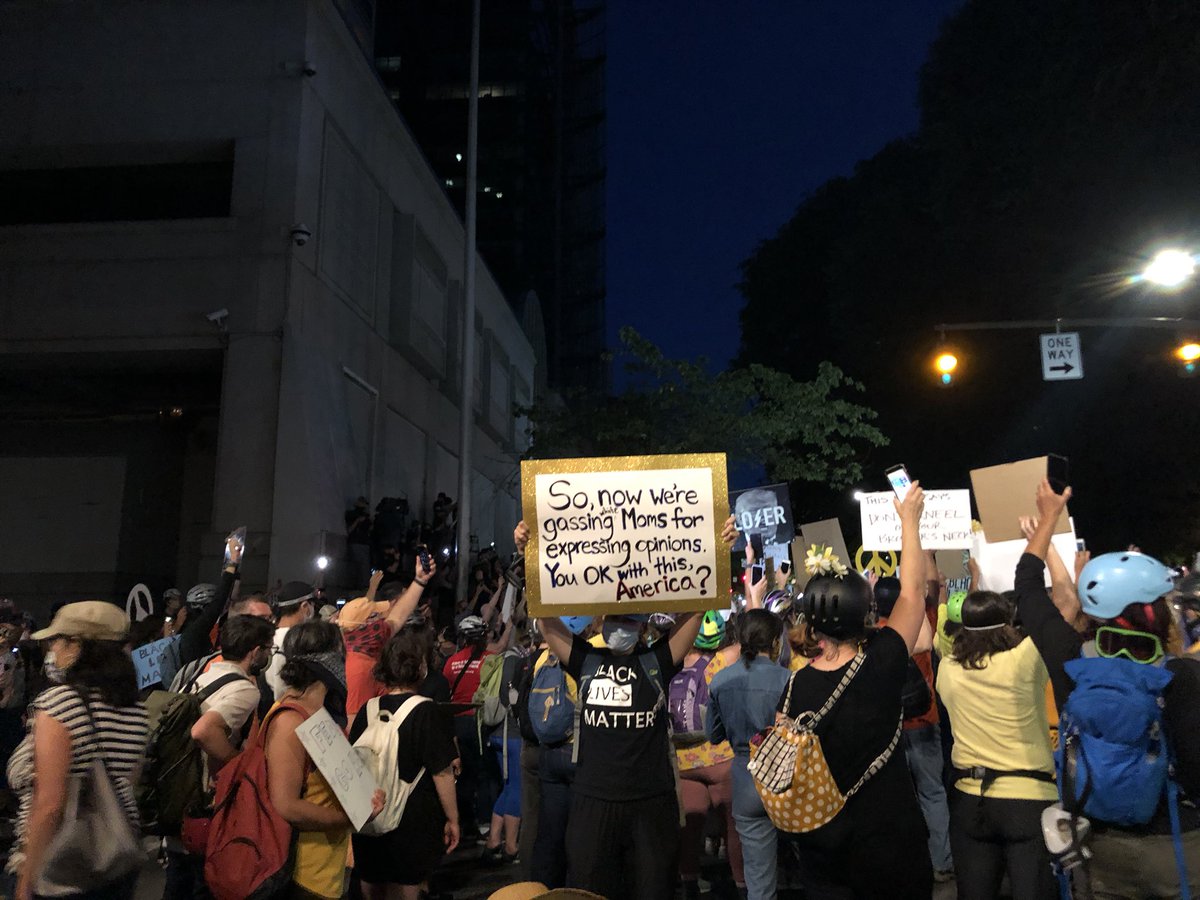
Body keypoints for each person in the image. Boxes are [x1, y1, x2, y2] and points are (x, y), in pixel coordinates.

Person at [1017, 481, 1200, 899]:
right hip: (1176, 848)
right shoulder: (1182, 676)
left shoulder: (1073, 662)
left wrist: (1047, 522)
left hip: (1100, 852)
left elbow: (1027, 587)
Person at [516, 521, 704, 900]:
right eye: (616, 618)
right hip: (592, 802)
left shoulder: (658, 661)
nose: (623, 626)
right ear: (603, 620)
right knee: (590, 892)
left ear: (643, 627)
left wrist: (714, 550)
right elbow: (546, 621)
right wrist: (529, 555)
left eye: (631, 619)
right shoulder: (584, 659)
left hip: (650, 803)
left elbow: (698, 608)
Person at [775, 485, 933, 899]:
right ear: (865, 612)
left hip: (824, 848)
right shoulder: (882, 659)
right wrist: (910, 521)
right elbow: (914, 592)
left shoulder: (795, 685)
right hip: (892, 846)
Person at [6, 601, 149, 900]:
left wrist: (25, 883)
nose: (52, 649)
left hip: (61, 859)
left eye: (57, 640)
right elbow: (129, 778)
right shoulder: (134, 707)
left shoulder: (60, 703)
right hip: (117, 852)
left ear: (79, 646)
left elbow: (49, 803)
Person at [935, 589, 1057, 900]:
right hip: (1028, 802)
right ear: (1008, 626)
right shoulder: (1024, 662)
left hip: (969, 800)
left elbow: (943, 623)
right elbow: (1065, 607)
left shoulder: (948, 668)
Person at [263, 620, 383, 900]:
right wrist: (346, 818)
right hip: (301, 873)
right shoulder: (290, 719)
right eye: (342, 653)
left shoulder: (317, 713)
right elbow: (287, 805)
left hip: (325, 870)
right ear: (329, 659)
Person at [164, 614, 277, 899]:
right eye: (269, 649)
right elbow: (203, 730)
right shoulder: (244, 689)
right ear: (255, 652)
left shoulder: (201, 675)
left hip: (179, 790)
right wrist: (237, 762)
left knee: (177, 882)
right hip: (205, 800)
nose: (270, 655)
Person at [350, 630, 459, 900]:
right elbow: (441, 772)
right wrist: (453, 819)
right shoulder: (427, 711)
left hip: (370, 814)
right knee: (407, 887)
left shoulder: (368, 709)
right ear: (420, 668)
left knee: (371, 885)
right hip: (412, 818)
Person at [874, 567, 954, 883]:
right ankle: (942, 863)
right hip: (924, 723)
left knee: (894, 799)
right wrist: (928, 565)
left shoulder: (871, 638)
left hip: (887, 732)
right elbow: (933, 590)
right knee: (933, 794)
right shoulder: (921, 629)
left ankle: (902, 864)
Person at [708, 607, 791, 900]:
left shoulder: (720, 680)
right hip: (787, 777)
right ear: (775, 642)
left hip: (746, 777)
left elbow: (713, 735)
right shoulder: (788, 679)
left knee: (758, 877)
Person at [674, 610, 743, 900]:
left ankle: (689, 885)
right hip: (720, 759)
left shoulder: (673, 663)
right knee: (735, 828)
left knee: (690, 830)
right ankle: (742, 886)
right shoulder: (721, 662)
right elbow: (753, 629)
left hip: (684, 761)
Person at [444, 614, 492, 837]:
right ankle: (483, 822)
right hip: (480, 722)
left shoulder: (451, 663)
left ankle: (463, 821)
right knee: (483, 774)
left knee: (461, 774)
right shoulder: (490, 660)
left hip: (456, 723)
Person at [265, 581, 316, 699]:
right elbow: (282, 687)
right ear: (304, 606)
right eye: (312, 605)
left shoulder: (270, 635)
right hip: (286, 708)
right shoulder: (293, 641)